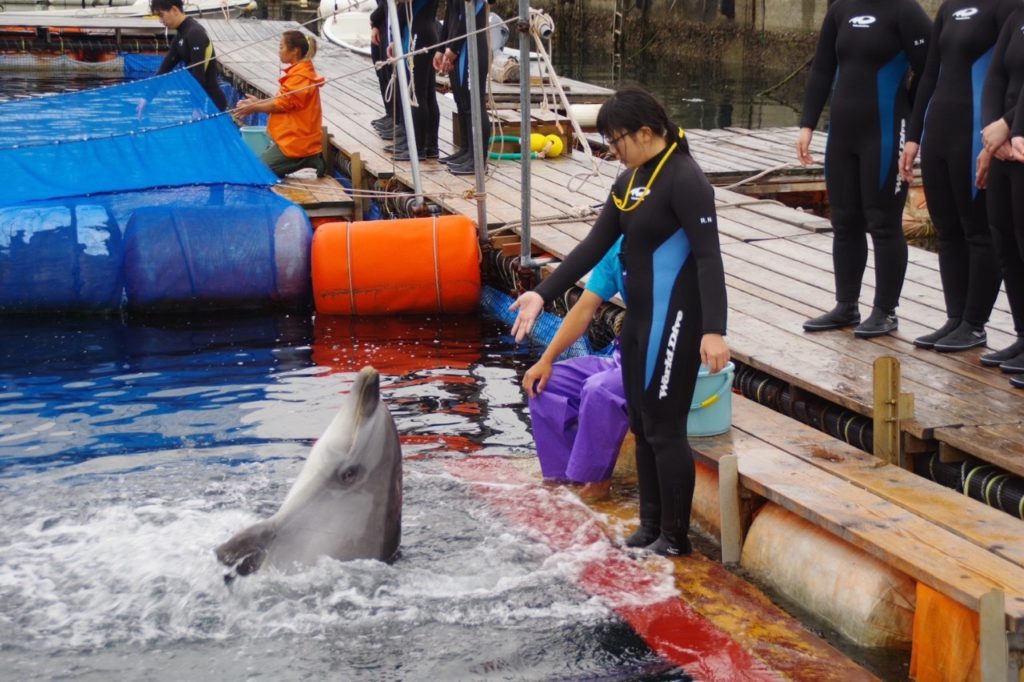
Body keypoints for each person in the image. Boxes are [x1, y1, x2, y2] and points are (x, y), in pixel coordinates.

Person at [510, 87, 731, 557]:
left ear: (646, 133)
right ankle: (649, 526)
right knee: (643, 422)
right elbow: (593, 246)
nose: (613, 151)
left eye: (616, 141)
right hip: (639, 322)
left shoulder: (686, 180)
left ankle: (675, 537)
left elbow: (710, 259)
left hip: (676, 322)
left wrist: (714, 330)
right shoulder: (629, 183)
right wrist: (542, 292)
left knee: (666, 431)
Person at [797, 0, 931, 338]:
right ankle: (846, 305)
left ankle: (886, 311)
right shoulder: (841, 8)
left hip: (886, 131)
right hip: (842, 133)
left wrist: (912, 124)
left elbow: (931, 71)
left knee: (883, 222)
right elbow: (823, 68)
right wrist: (807, 124)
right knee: (844, 221)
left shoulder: (905, 11)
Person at [899, 0, 1020, 352]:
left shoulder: (1006, 7)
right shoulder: (951, 6)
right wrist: (913, 137)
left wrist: (993, 137)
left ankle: (975, 323)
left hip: (975, 134)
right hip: (939, 130)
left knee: (978, 231)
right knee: (947, 230)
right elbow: (930, 74)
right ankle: (955, 318)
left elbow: (1008, 77)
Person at [523, 237, 628, 501]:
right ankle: (561, 477)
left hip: (659, 362)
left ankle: (596, 480)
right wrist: (546, 360)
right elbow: (584, 308)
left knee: (599, 390)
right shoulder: (617, 248)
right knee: (545, 383)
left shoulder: (671, 249)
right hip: (623, 356)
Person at [980, 6, 1024, 383]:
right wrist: (991, 132)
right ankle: (1023, 336)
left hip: (1021, 143)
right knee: (1006, 245)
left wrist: (1010, 126)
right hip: (1006, 151)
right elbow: (995, 77)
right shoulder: (1016, 16)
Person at [235, 31, 326, 178]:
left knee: (258, 173)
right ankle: (309, 157)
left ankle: (307, 157)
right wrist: (258, 103)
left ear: (295, 51)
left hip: (296, 141)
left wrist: (255, 107)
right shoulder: (298, 72)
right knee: (256, 166)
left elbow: (281, 104)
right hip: (290, 137)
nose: (279, 51)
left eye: (281, 47)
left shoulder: (300, 77)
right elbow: (284, 102)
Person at [434, 0, 491, 175]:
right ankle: (467, 151)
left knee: (474, 104)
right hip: (458, 47)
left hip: (470, 47)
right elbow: (451, 15)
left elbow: (469, 16)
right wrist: (442, 48)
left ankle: (478, 161)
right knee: (462, 101)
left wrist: (453, 48)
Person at [386, 0, 440, 160]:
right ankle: (429, 146)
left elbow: (401, 7)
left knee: (416, 94)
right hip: (422, 31)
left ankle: (417, 148)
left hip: (419, 35)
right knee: (427, 93)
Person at [151, 0, 228, 112]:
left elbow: (199, 75)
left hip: (211, 103)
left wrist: (196, 108)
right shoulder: (180, 36)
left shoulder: (195, 32)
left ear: (174, 10)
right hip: (200, 101)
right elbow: (163, 71)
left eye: (161, 15)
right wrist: (146, 98)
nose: (160, 20)